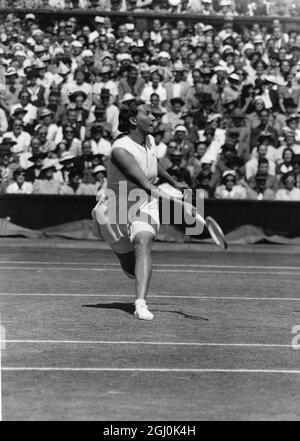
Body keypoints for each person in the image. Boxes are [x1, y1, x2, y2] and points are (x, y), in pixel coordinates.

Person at [92, 100, 193, 321]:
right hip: (115, 209)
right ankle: (124, 258)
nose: (154, 117)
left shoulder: (149, 139)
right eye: (148, 113)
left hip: (144, 203)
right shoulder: (120, 150)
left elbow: (153, 164)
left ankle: (140, 303)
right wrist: (180, 204)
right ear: (133, 120)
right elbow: (146, 184)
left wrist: (175, 183)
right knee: (129, 264)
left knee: (143, 241)